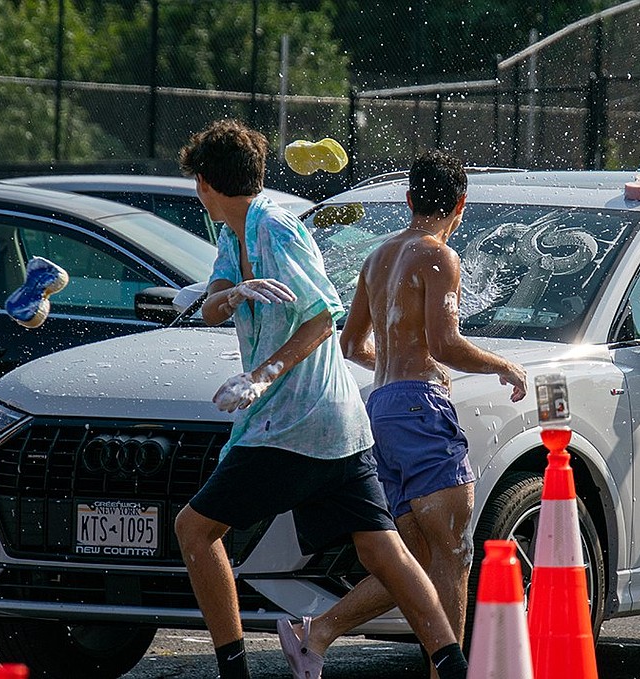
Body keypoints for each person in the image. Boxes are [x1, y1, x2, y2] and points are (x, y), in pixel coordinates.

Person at [173, 120, 468, 679]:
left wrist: (260, 377)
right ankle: (451, 666)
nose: (197, 191)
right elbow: (213, 301)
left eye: (197, 182)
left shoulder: (276, 228)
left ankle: (233, 670)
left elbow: (321, 319)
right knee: (383, 552)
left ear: (206, 183)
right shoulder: (232, 234)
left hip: (294, 422)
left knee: (195, 529)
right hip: (340, 427)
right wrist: (230, 294)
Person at [273, 150, 527, 679]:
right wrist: (506, 367)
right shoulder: (438, 256)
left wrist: (396, 360)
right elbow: (447, 343)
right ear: (461, 204)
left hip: (381, 411)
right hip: (419, 409)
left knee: (407, 556)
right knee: (453, 552)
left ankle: (315, 633)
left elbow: (350, 344)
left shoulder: (377, 257)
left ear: (409, 199)